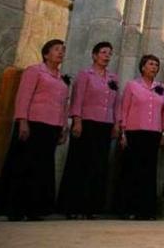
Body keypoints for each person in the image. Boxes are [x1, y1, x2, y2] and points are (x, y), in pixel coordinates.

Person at [0, 39, 70, 221]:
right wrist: (22, 121)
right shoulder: (34, 71)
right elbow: (23, 97)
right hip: (33, 124)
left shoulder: (61, 78)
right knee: (24, 165)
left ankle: (35, 209)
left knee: (43, 168)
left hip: (52, 127)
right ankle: (16, 209)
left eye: (63, 50)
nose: (61, 53)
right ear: (46, 53)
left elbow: (64, 104)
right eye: (56, 49)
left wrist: (64, 127)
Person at [57, 41, 119, 219]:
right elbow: (77, 99)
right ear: (94, 55)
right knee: (80, 164)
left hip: (105, 124)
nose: (107, 56)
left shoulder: (113, 78)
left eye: (109, 53)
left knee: (99, 166)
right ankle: (73, 206)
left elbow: (116, 103)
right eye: (103, 52)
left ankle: (91, 207)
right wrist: (77, 121)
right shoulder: (85, 75)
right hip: (87, 123)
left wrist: (115, 123)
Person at [116, 54, 164, 220]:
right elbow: (124, 108)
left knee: (149, 172)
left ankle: (146, 210)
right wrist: (122, 131)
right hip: (134, 132)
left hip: (153, 133)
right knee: (132, 170)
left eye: (156, 65)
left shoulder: (161, 88)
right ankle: (127, 208)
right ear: (143, 67)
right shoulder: (132, 86)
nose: (154, 67)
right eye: (151, 64)